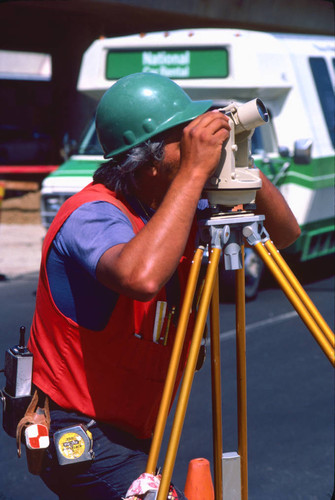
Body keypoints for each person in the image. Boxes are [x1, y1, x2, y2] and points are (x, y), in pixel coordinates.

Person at [27, 73, 300, 499]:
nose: (199, 142)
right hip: (80, 430)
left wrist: (238, 163)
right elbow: (142, 276)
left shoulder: (176, 204)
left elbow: (284, 234)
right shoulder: (91, 214)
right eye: (183, 136)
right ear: (150, 161)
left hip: (136, 426)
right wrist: (195, 172)